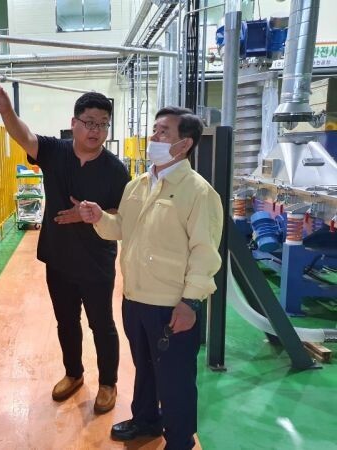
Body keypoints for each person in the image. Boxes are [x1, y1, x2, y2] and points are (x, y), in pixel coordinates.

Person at [0, 76, 130, 414]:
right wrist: (6, 112)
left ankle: (108, 383)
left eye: (102, 124)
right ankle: (74, 374)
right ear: (74, 123)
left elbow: (122, 216)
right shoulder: (54, 152)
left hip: (96, 263)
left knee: (102, 325)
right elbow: (25, 136)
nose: (95, 130)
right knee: (66, 322)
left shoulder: (115, 170)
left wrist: (91, 215)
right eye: (89, 122)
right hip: (59, 259)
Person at [79, 106, 223, 449]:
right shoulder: (139, 185)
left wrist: (190, 302)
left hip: (172, 305)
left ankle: (180, 440)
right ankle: (146, 421)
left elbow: (204, 253)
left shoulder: (198, 192)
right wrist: (99, 218)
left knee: (175, 378)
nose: (153, 137)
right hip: (135, 298)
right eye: (154, 130)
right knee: (144, 368)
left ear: (184, 144)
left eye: (163, 132)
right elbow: (121, 228)